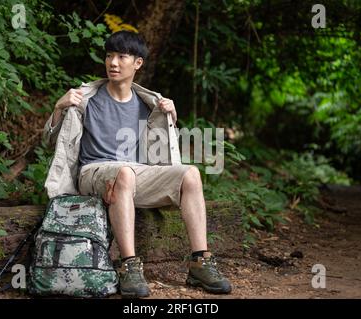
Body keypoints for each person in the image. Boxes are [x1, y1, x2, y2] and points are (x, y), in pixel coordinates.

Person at [42, 30, 231, 298]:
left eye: (121, 56)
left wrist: (172, 120)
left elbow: (159, 155)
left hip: (132, 175)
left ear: (138, 63)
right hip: (92, 172)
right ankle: (129, 266)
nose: (113, 63)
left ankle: (200, 261)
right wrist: (58, 108)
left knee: (190, 173)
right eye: (109, 56)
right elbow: (49, 143)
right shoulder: (85, 98)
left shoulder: (148, 105)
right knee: (125, 172)